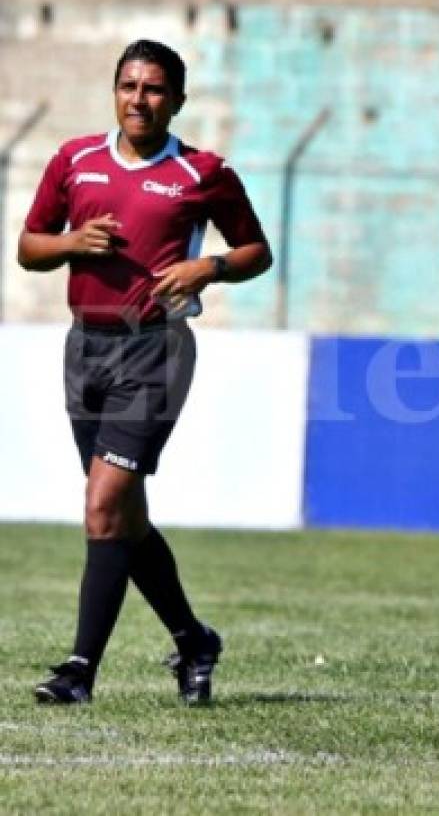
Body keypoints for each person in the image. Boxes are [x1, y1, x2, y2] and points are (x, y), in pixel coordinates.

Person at [18, 39, 272, 705]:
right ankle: (193, 639)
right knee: (122, 517)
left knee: (102, 504)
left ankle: (78, 672)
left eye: (154, 89)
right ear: (114, 92)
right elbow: (28, 247)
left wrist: (206, 266)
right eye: (128, 86)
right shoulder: (74, 161)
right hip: (84, 348)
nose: (139, 99)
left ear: (177, 101)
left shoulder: (201, 172)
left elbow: (255, 251)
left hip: (154, 350)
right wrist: (71, 243)